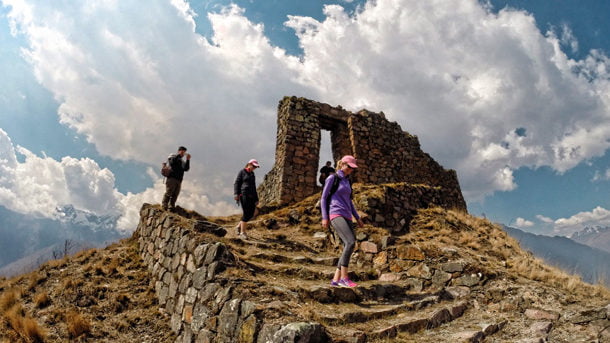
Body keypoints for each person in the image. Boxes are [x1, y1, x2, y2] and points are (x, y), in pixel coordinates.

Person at [320, 155, 364, 288]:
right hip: (335, 213)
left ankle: (335, 279)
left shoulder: (347, 181)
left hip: (347, 215)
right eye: (349, 167)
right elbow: (323, 198)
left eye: (353, 168)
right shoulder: (332, 178)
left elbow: (350, 202)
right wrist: (324, 217)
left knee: (349, 244)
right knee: (350, 242)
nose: (351, 170)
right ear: (342, 164)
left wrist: (358, 218)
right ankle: (345, 278)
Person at [234, 159, 260, 239]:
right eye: (253, 166)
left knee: (253, 213)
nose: (254, 168)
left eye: (255, 167)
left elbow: (254, 187)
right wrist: (236, 194)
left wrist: (256, 199)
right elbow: (237, 183)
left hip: (252, 196)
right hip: (243, 195)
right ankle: (242, 232)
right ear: (249, 164)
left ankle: (238, 226)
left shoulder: (252, 174)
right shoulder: (242, 172)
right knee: (246, 212)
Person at [162, 146, 191, 212]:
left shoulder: (182, 161)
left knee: (175, 194)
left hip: (179, 180)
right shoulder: (173, 156)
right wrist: (179, 155)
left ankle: (171, 207)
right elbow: (172, 162)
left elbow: (186, 169)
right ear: (179, 151)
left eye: (184, 151)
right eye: (182, 151)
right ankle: (164, 205)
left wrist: (188, 160)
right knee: (169, 192)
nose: (183, 153)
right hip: (172, 178)